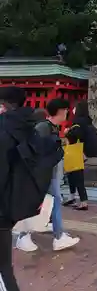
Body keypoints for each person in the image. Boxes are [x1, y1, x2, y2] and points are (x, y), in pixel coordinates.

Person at [16, 98, 80, 253]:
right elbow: (35, 152)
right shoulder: (44, 128)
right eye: (65, 110)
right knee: (50, 200)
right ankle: (51, 236)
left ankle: (34, 235)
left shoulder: (50, 127)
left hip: (47, 173)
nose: (67, 113)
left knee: (51, 201)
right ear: (60, 111)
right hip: (43, 174)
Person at [0, 86, 38, 290]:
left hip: (2, 204)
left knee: (4, 267)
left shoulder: (4, 132)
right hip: (15, 202)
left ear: (3, 105)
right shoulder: (29, 128)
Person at [63, 101, 89, 210]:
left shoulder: (79, 121)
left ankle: (83, 201)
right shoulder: (86, 120)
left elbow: (75, 134)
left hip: (75, 152)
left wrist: (67, 132)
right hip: (78, 152)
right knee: (72, 176)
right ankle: (72, 197)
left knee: (77, 177)